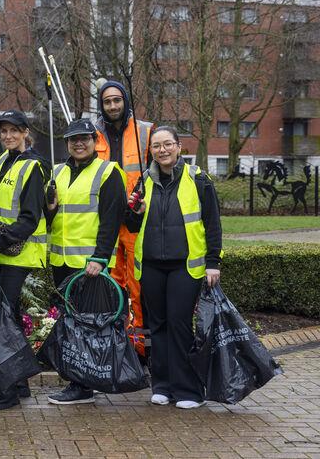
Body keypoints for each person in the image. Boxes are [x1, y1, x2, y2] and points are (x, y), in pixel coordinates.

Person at [126, 125, 222, 409]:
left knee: (179, 325)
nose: (162, 150)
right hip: (152, 265)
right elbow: (131, 224)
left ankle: (189, 391)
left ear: (179, 147)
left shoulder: (198, 179)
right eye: (156, 146)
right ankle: (163, 386)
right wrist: (134, 211)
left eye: (168, 144)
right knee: (157, 326)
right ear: (151, 151)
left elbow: (213, 224)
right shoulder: (144, 182)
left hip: (185, 266)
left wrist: (213, 263)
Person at [0, 106, 48, 410]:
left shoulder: (34, 167)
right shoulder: (4, 160)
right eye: (3, 131)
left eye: (14, 130)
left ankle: (10, 390)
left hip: (18, 253)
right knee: (9, 317)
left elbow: (30, 218)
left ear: (25, 133)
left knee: (5, 319)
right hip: (4, 252)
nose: (8, 136)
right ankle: (19, 381)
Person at [46, 118, 127, 405]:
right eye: (72, 139)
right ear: (66, 143)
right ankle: (78, 380)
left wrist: (101, 257)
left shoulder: (108, 172)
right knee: (71, 323)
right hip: (62, 261)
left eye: (84, 138)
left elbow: (111, 219)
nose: (78, 143)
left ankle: (82, 385)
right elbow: (53, 217)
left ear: (95, 141)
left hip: (90, 265)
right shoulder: (57, 172)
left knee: (87, 325)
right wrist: (51, 209)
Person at [93, 81, 153, 358]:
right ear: (101, 105)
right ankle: (114, 345)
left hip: (134, 222)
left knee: (138, 288)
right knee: (109, 287)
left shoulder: (145, 132)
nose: (113, 106)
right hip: (103, 222)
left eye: (117, 100)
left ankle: (141, 350)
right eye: (107, 101)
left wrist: (141, 200)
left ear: (125, 101)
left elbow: (157, 171)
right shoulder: (92, 134)